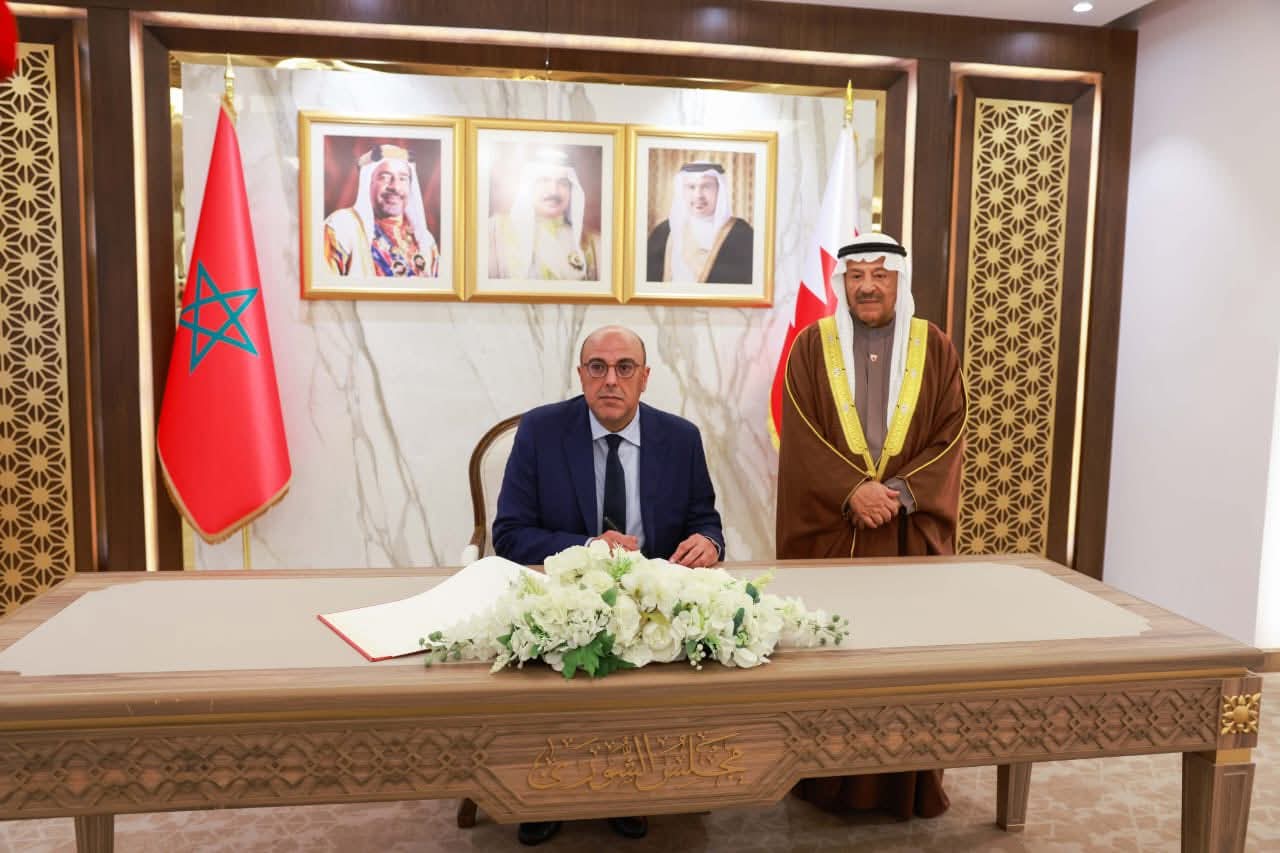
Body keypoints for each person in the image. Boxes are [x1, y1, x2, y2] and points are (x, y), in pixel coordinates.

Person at [492, 324, 726, 846]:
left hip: (650, 600)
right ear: (581, 375)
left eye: (625, 368)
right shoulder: (541, 431)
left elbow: (705, 520)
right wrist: (592, 549)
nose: (611, 380)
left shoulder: (680, 438)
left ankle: (629, 788)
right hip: (563, 595)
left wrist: (708, 542)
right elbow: (508, 535)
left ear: (645, 377)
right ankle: (543, 791)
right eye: (597, 367)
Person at [775, 232, 966, 819]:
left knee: (907, 668)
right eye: (856, 275)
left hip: (909, 533)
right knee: (834, 664)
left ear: (898, 282)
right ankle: (825, 783)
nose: (867, 287)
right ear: (842, 282)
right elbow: (800, 433)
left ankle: (907, 786)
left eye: (879, 276)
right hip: (837, 533)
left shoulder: (935, 346)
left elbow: (952, 430)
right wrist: (851, 489)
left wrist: (902, 493)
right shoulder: (812, 345)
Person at [322, 143, 439, 278]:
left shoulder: (425, 240)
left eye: (403, 178)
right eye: (384, 177)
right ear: (368, 183)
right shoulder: (341, 226)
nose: (395, 187)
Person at [489, 147, 600, 280]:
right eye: (543, 181)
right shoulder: (495, 230)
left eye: (563, 183)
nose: (553, 191)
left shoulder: (592, 241)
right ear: (529, 186)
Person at [645, 161, 754, 284]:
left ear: (719, 190)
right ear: (681, 191)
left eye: (706, 186)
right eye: (691, 187)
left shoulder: (741, 234)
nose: (698, 195)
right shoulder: (663, 232)